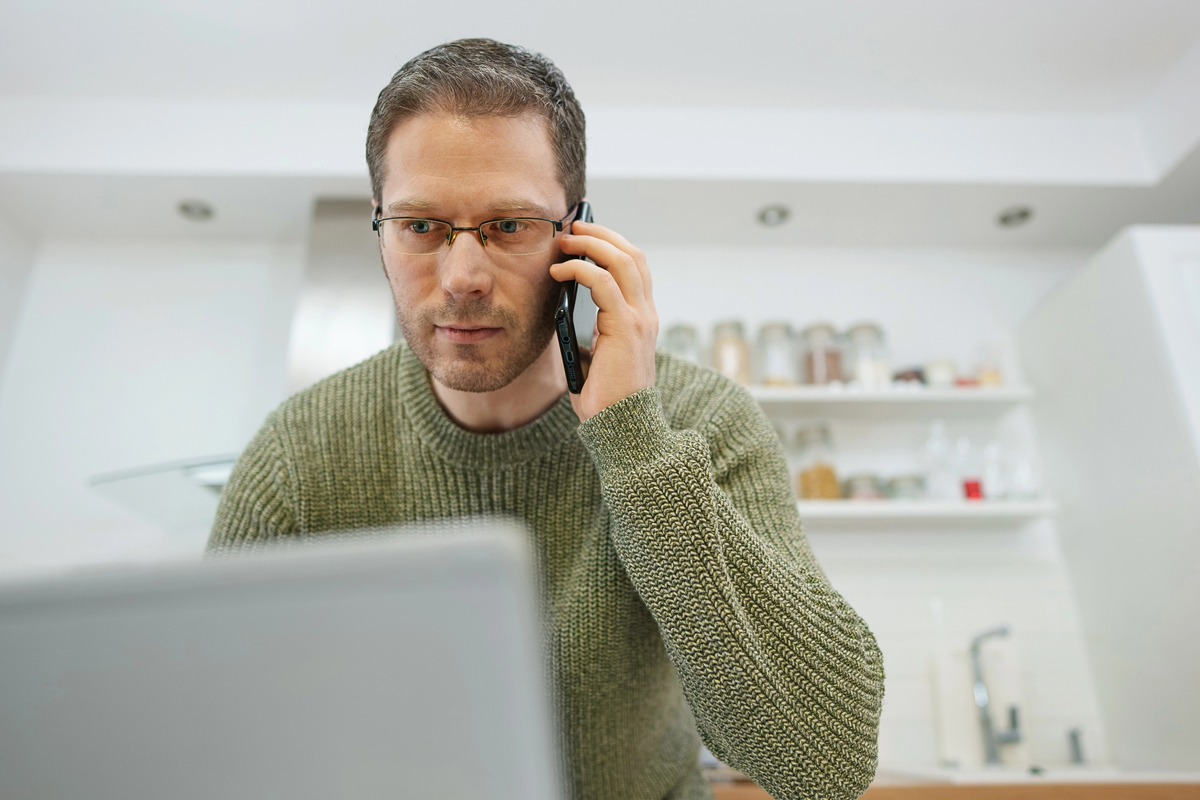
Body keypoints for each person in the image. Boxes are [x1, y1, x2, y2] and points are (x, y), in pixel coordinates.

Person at [209, 38, 884, 800]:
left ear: (579, 233)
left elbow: (825, 763)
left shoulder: (703, 423)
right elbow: (214, 735)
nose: (463, 278)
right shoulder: (298, 452)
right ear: (380, 227)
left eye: (509, 226)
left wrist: (633, 441)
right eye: (420, 226)